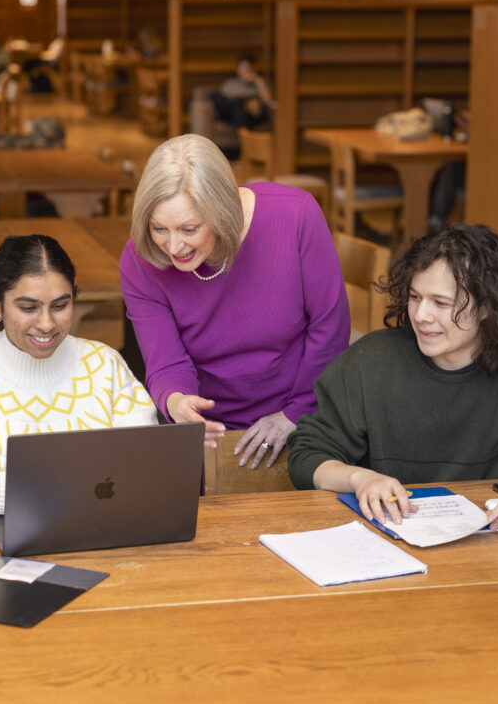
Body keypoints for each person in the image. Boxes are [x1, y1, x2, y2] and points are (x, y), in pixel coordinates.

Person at [288, 223, 498, 533]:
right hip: (386, 544)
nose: (422, 315)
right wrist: (359, 478)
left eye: (441, 303)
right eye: (415, 297)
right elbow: (308, 455)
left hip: (495, 556)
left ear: (487, 307)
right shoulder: (368, 363)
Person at [119, 133, 350, 470]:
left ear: (222, 211)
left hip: (304, 412)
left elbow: (330, 327)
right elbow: (165, 361)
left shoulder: (295, 215)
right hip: (210, 428)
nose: (173, 246)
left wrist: (296, 413)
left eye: (188, 229)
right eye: (159, 228)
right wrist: (177, 402)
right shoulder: (141, 260)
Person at [0, 234, 156, 516]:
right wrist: (52, 493)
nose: (46, 324)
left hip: (99, 537)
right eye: (28, 308)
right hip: (2, 551)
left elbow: (146, 465)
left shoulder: (106, 365)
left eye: (60, 306)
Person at [210, 53, 273, 134]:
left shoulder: (259, 83)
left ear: (253, 69)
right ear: (237, 69)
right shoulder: (230, 83)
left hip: (249, 115)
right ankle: (240, 102)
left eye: (247, 68)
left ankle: (240, 103)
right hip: (229, 114)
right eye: (241, 68)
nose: (244, 71)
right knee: (213, 94)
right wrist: (241, 102)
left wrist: (257, 80)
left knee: (238, 112)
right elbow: (221, 102)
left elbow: (268, 101)